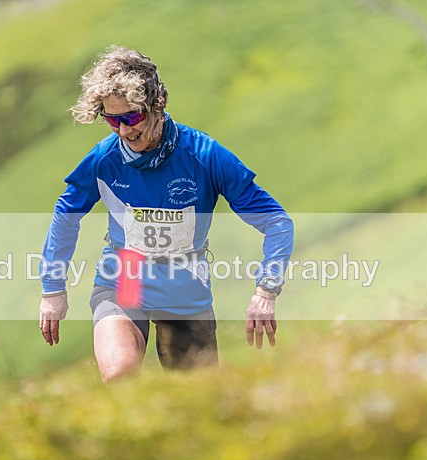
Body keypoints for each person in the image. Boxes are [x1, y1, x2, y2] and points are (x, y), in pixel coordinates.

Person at [38, 46, 293, 381]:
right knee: (119, 375)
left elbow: (276, 222)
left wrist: (266, 291)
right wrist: (52, 289)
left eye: (131, 117)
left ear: (157, 104)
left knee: (197, 403)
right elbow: (66, 215)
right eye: (112, 120)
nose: (124, 131)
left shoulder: (204, 155)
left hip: (184, 287)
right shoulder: (104, 158)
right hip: (125, 280)